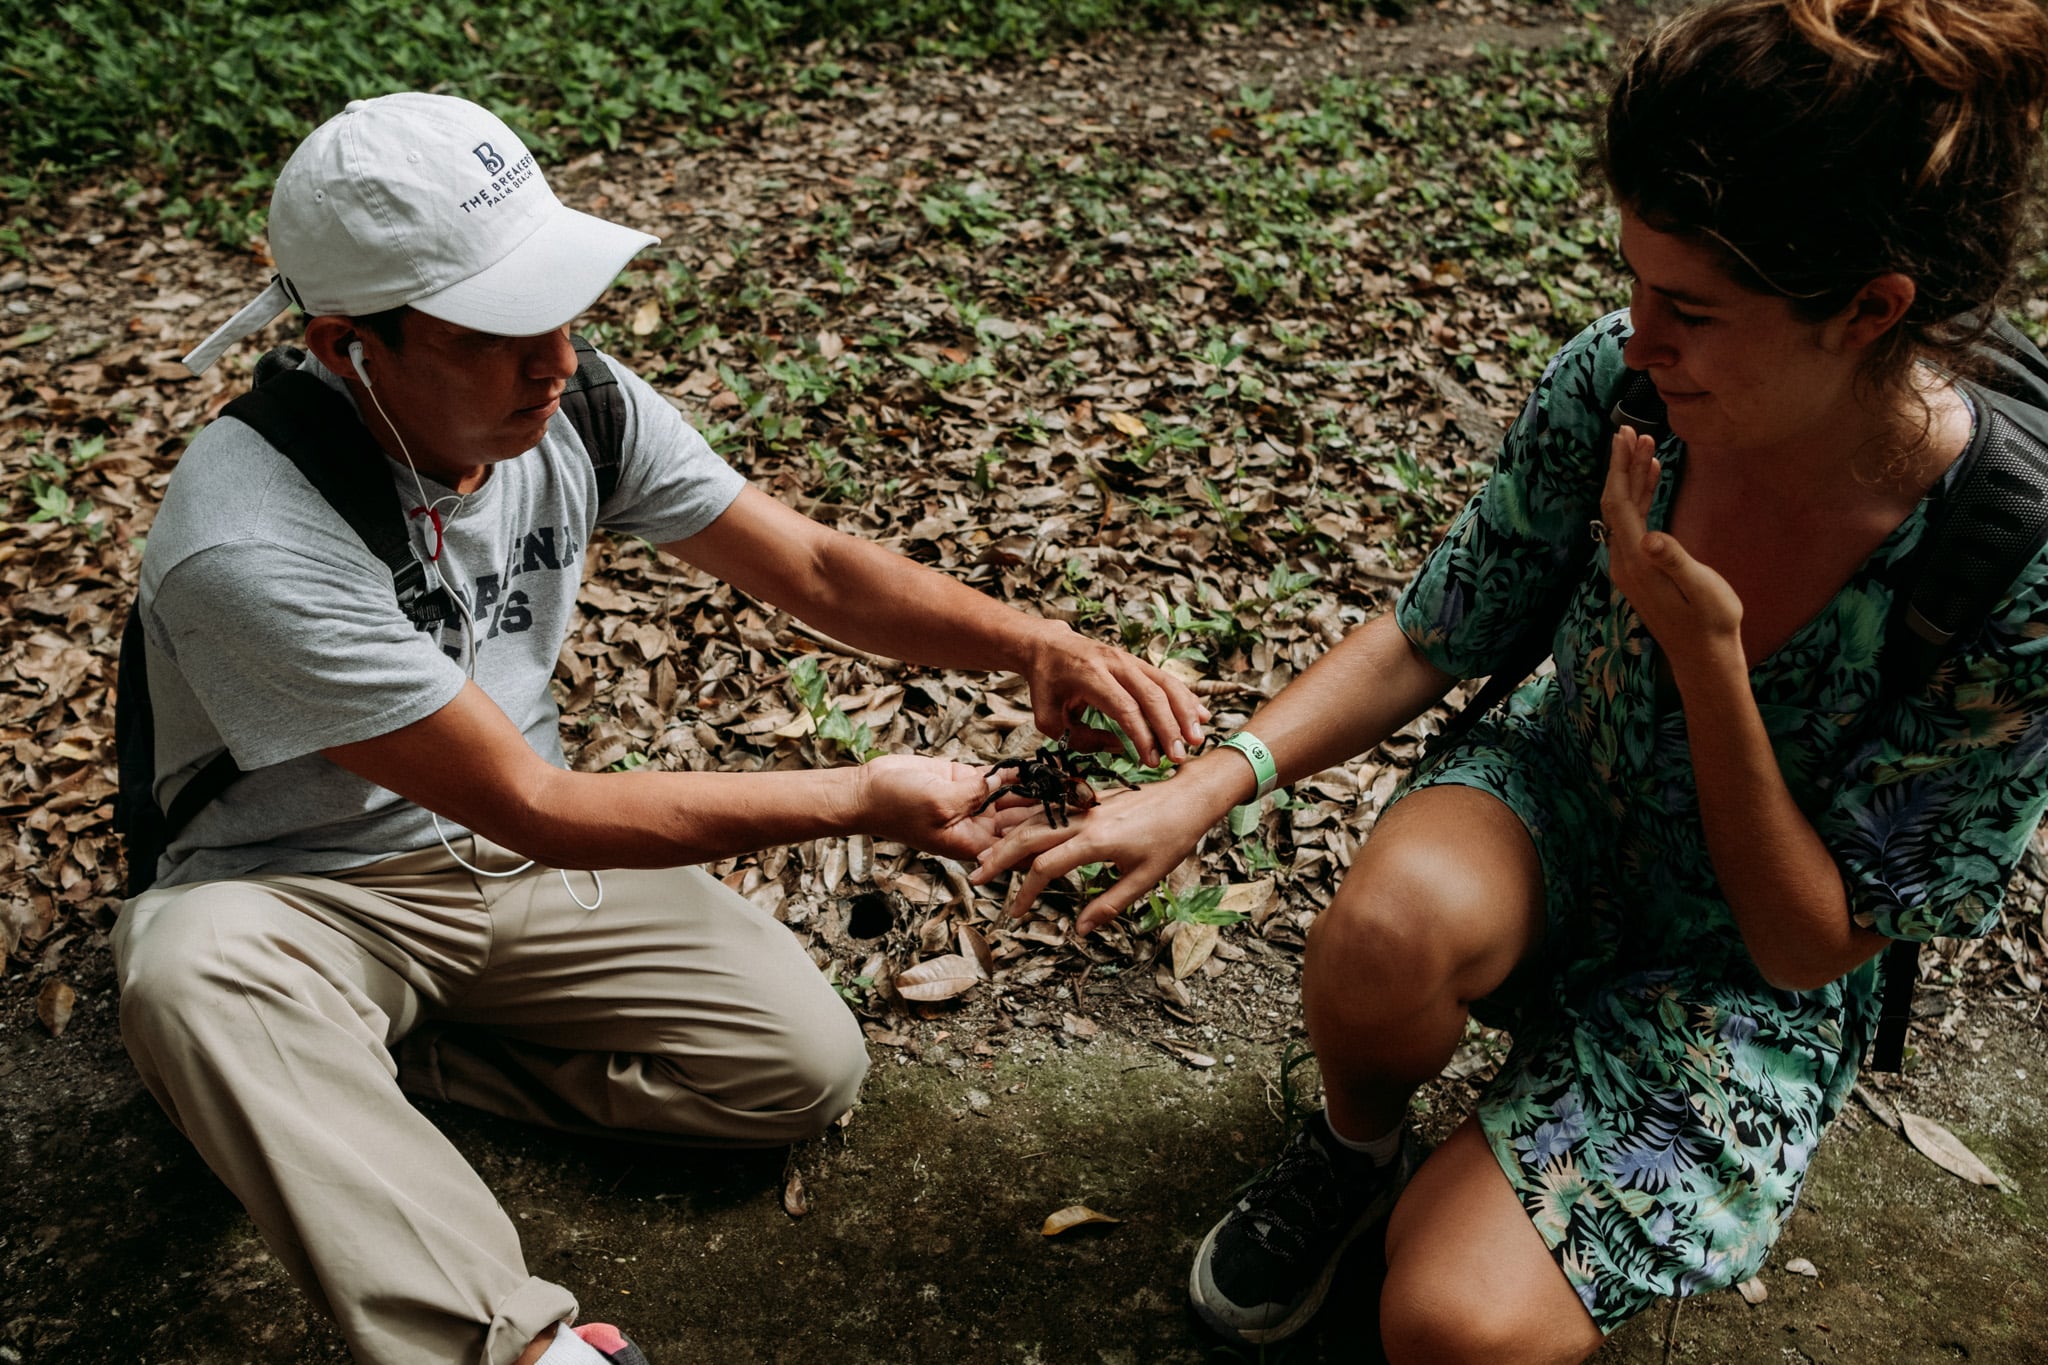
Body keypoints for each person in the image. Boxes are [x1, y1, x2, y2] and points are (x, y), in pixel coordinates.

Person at [974, 0, 2048, 1359]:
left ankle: (1510, 1188)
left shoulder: (2008, 557)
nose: (1639, 335)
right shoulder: (1626, 382)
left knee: (1449, 1324)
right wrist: (1206, 787)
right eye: (1638, 283)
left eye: (1693, 310)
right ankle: (1357, 1155)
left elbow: (1805, 940)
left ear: (1869, 311)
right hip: (1559, 794)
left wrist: (1706, 660)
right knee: (1378, 937)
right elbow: (1439, 633)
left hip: (1739, 971)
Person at [119, 93, 1208, 1365]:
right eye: (500, 332)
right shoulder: (250, 540)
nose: (557, 360)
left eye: (561, 311)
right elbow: (533, 801)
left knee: (795, 1071)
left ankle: (354, 1081)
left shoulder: (570, 411)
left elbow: (810, 565)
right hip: (300, 890)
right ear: (350, 345)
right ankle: (513, 1346)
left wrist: (1034, 643)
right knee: (194, 977)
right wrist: (859, 795)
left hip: (511, 867)